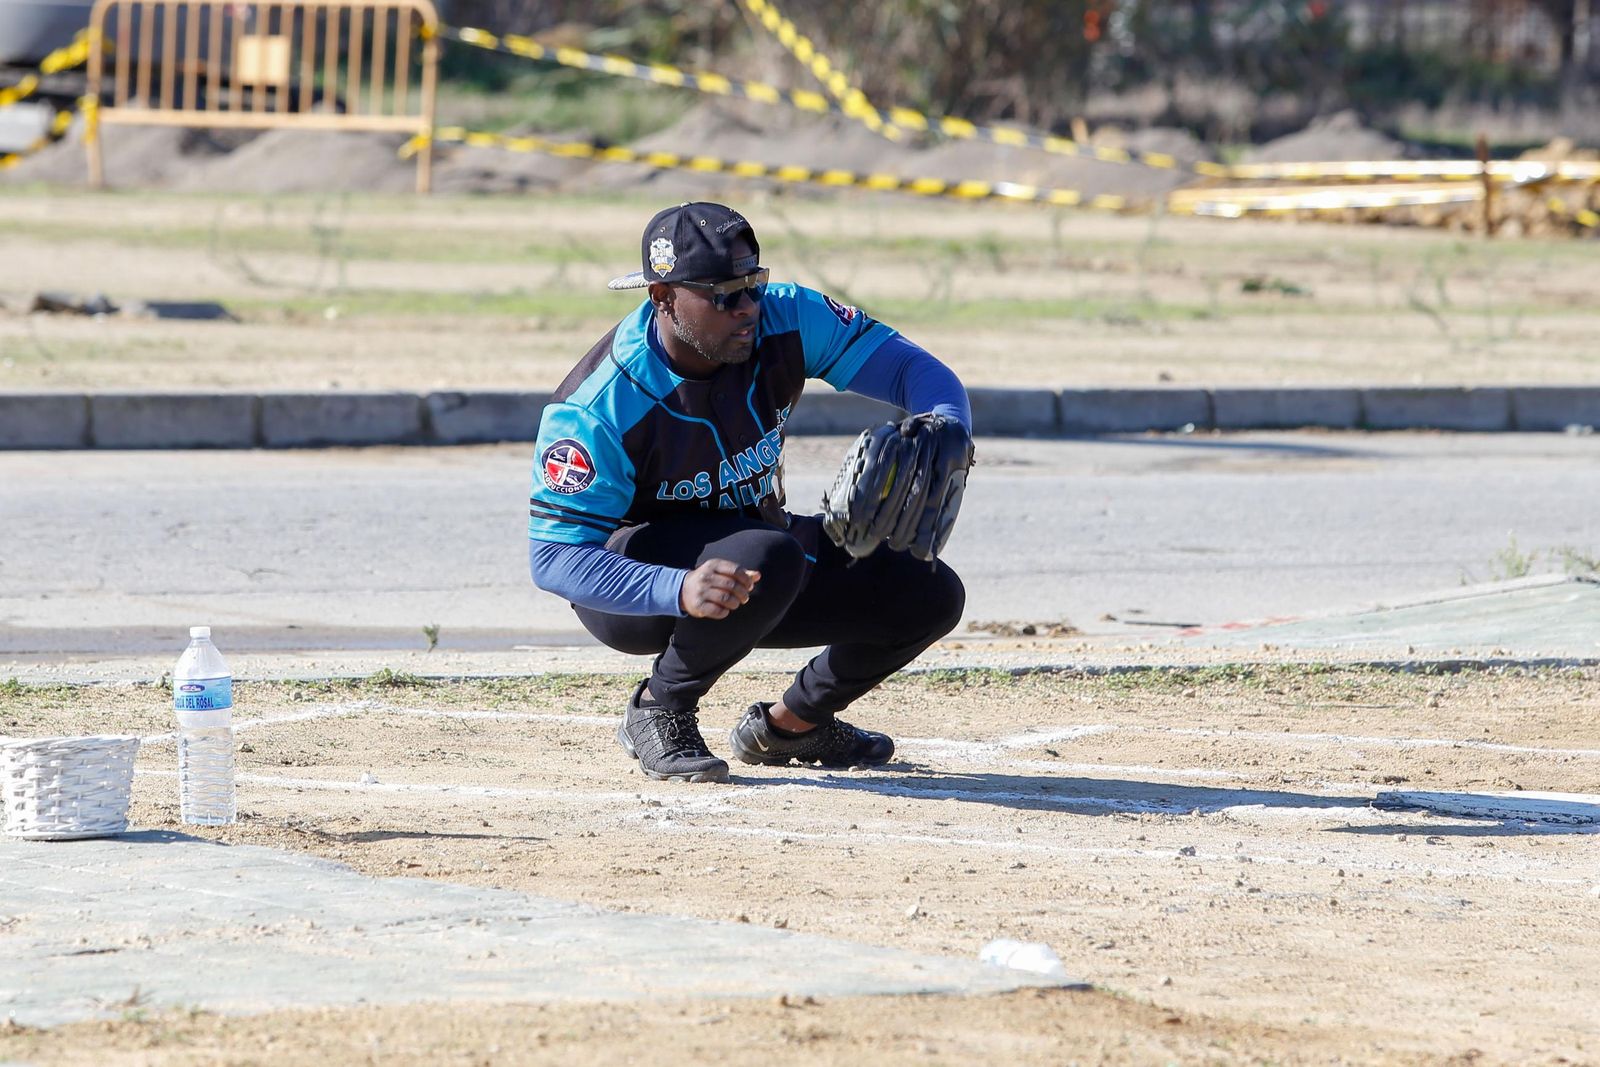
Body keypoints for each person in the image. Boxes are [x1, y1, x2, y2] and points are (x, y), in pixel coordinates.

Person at [528, 202, 970, 783]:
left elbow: (910, 369)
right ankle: (660, 709)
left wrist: (947, 422)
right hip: (634, 583)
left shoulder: (788, 318)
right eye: (723, 295)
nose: (747, 309)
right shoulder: (596, 409)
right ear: (663, 297)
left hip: (758, 553)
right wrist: (679, 587)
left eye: (753, 286)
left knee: (928, 592)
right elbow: (555, 558)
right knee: (767, 553)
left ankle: (791, 726)